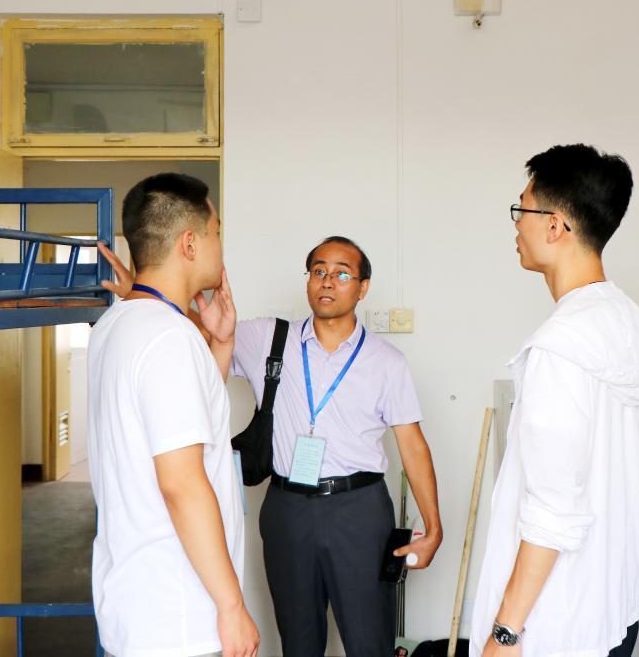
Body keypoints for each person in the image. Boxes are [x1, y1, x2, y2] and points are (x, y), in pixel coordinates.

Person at [100, 235, 442, 657]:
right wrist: (142, 294)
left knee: (370, 640)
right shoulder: (269, 338)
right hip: (287, 509)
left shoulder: (387, 361)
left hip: (359, 510)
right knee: (298, 641)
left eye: (341, 274)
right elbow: (204, 329)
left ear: (363, 287)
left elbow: (413, 447)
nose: (327, 281)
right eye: (318, 271)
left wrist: (433, 527)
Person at [470, 144, 639, 657]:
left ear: (554, 225)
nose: (516, 224)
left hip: (554, 625)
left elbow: (553, 508)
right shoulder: (631, 322)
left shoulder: (559, 346)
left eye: (522, 209)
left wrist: (506, 631)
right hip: (613, 607)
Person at [88, 173, 258, 657]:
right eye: (216, 231)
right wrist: (231, 606)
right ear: (189, 243)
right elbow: (181, 483)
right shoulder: (169, 338)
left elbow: (185, 421)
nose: (220, 244)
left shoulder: (114, 325)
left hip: (139, 606)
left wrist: (220, 344)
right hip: (178, 616)